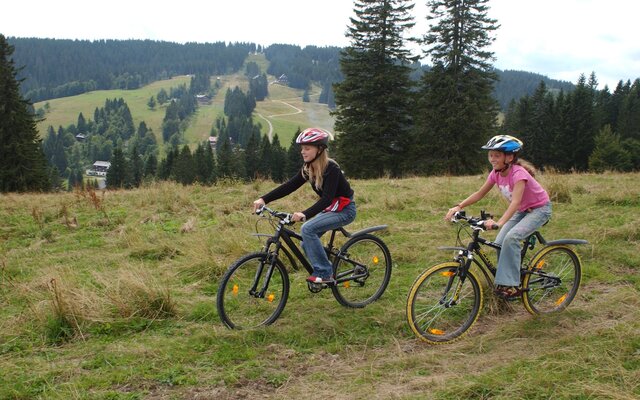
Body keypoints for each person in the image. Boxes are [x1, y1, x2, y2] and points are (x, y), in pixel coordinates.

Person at [444, 135, 552, 300]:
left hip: (539, 209)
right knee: (499, 244)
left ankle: (511, 285)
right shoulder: (495, 173)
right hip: (523, 209)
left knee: (512, 238)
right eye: (490, 155)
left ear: (509, 157)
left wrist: (499, 223)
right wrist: (459, 206)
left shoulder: (518, 174)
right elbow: (480, 193)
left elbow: (515, 202)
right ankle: (506, 281)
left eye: (496, 155)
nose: (492, 159)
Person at [253, 128, 356, 285]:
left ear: (320, 149)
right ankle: (326, 267)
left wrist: (304, 214)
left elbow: (327, 199)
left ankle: (325, 273)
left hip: (345, 210)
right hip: (331, 209)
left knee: (307, 229)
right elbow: (289, 186)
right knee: (305, 241)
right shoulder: (309, 169)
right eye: (302, 148)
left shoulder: (331, 168)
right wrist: (263, 199)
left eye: (307, 148)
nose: (303, 152)